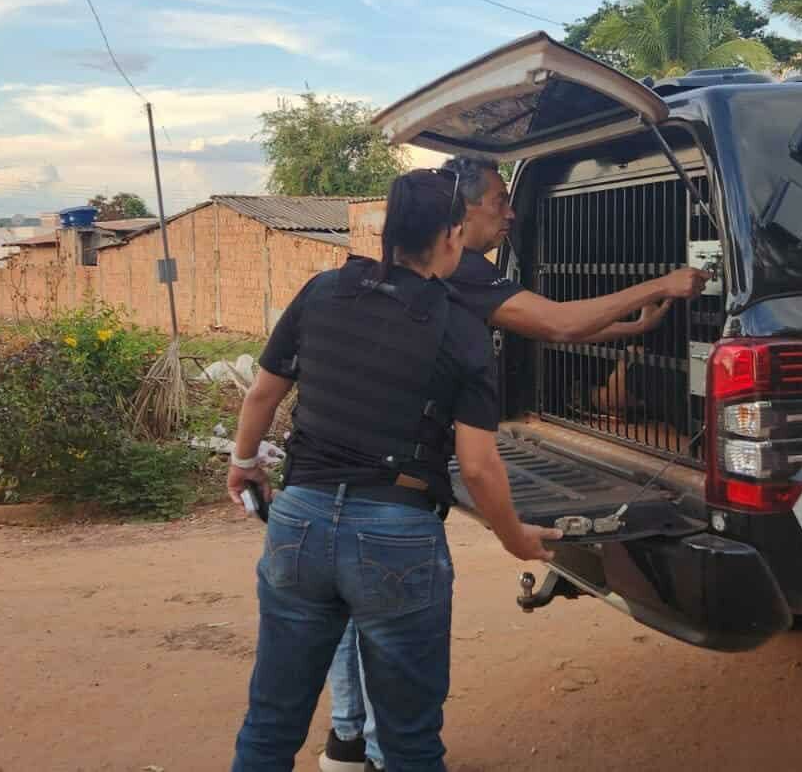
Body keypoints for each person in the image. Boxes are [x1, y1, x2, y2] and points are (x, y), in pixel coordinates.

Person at [321, 157, 708, 772]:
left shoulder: (353, 283)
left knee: (347, 610)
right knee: (396, 629)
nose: (511, 212)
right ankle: (382, 751)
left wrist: (629, 325)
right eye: (499, 200)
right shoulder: (460, 272)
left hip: (327, 475)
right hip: (395, 484)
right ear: (459, 216)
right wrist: (662, 284)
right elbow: (554, 322)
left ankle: (348, 740)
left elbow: (549, 326)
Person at [227, 168, 564, 772]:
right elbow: (480, 467)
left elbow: (261, 395)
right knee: (408, 741)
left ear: (387, 232)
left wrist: (244, 463)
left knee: (271, 722)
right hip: (396, 531)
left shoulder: (322, 291)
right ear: (453, 237)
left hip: (298, 523)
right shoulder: (461, 328)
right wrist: (517, 540)